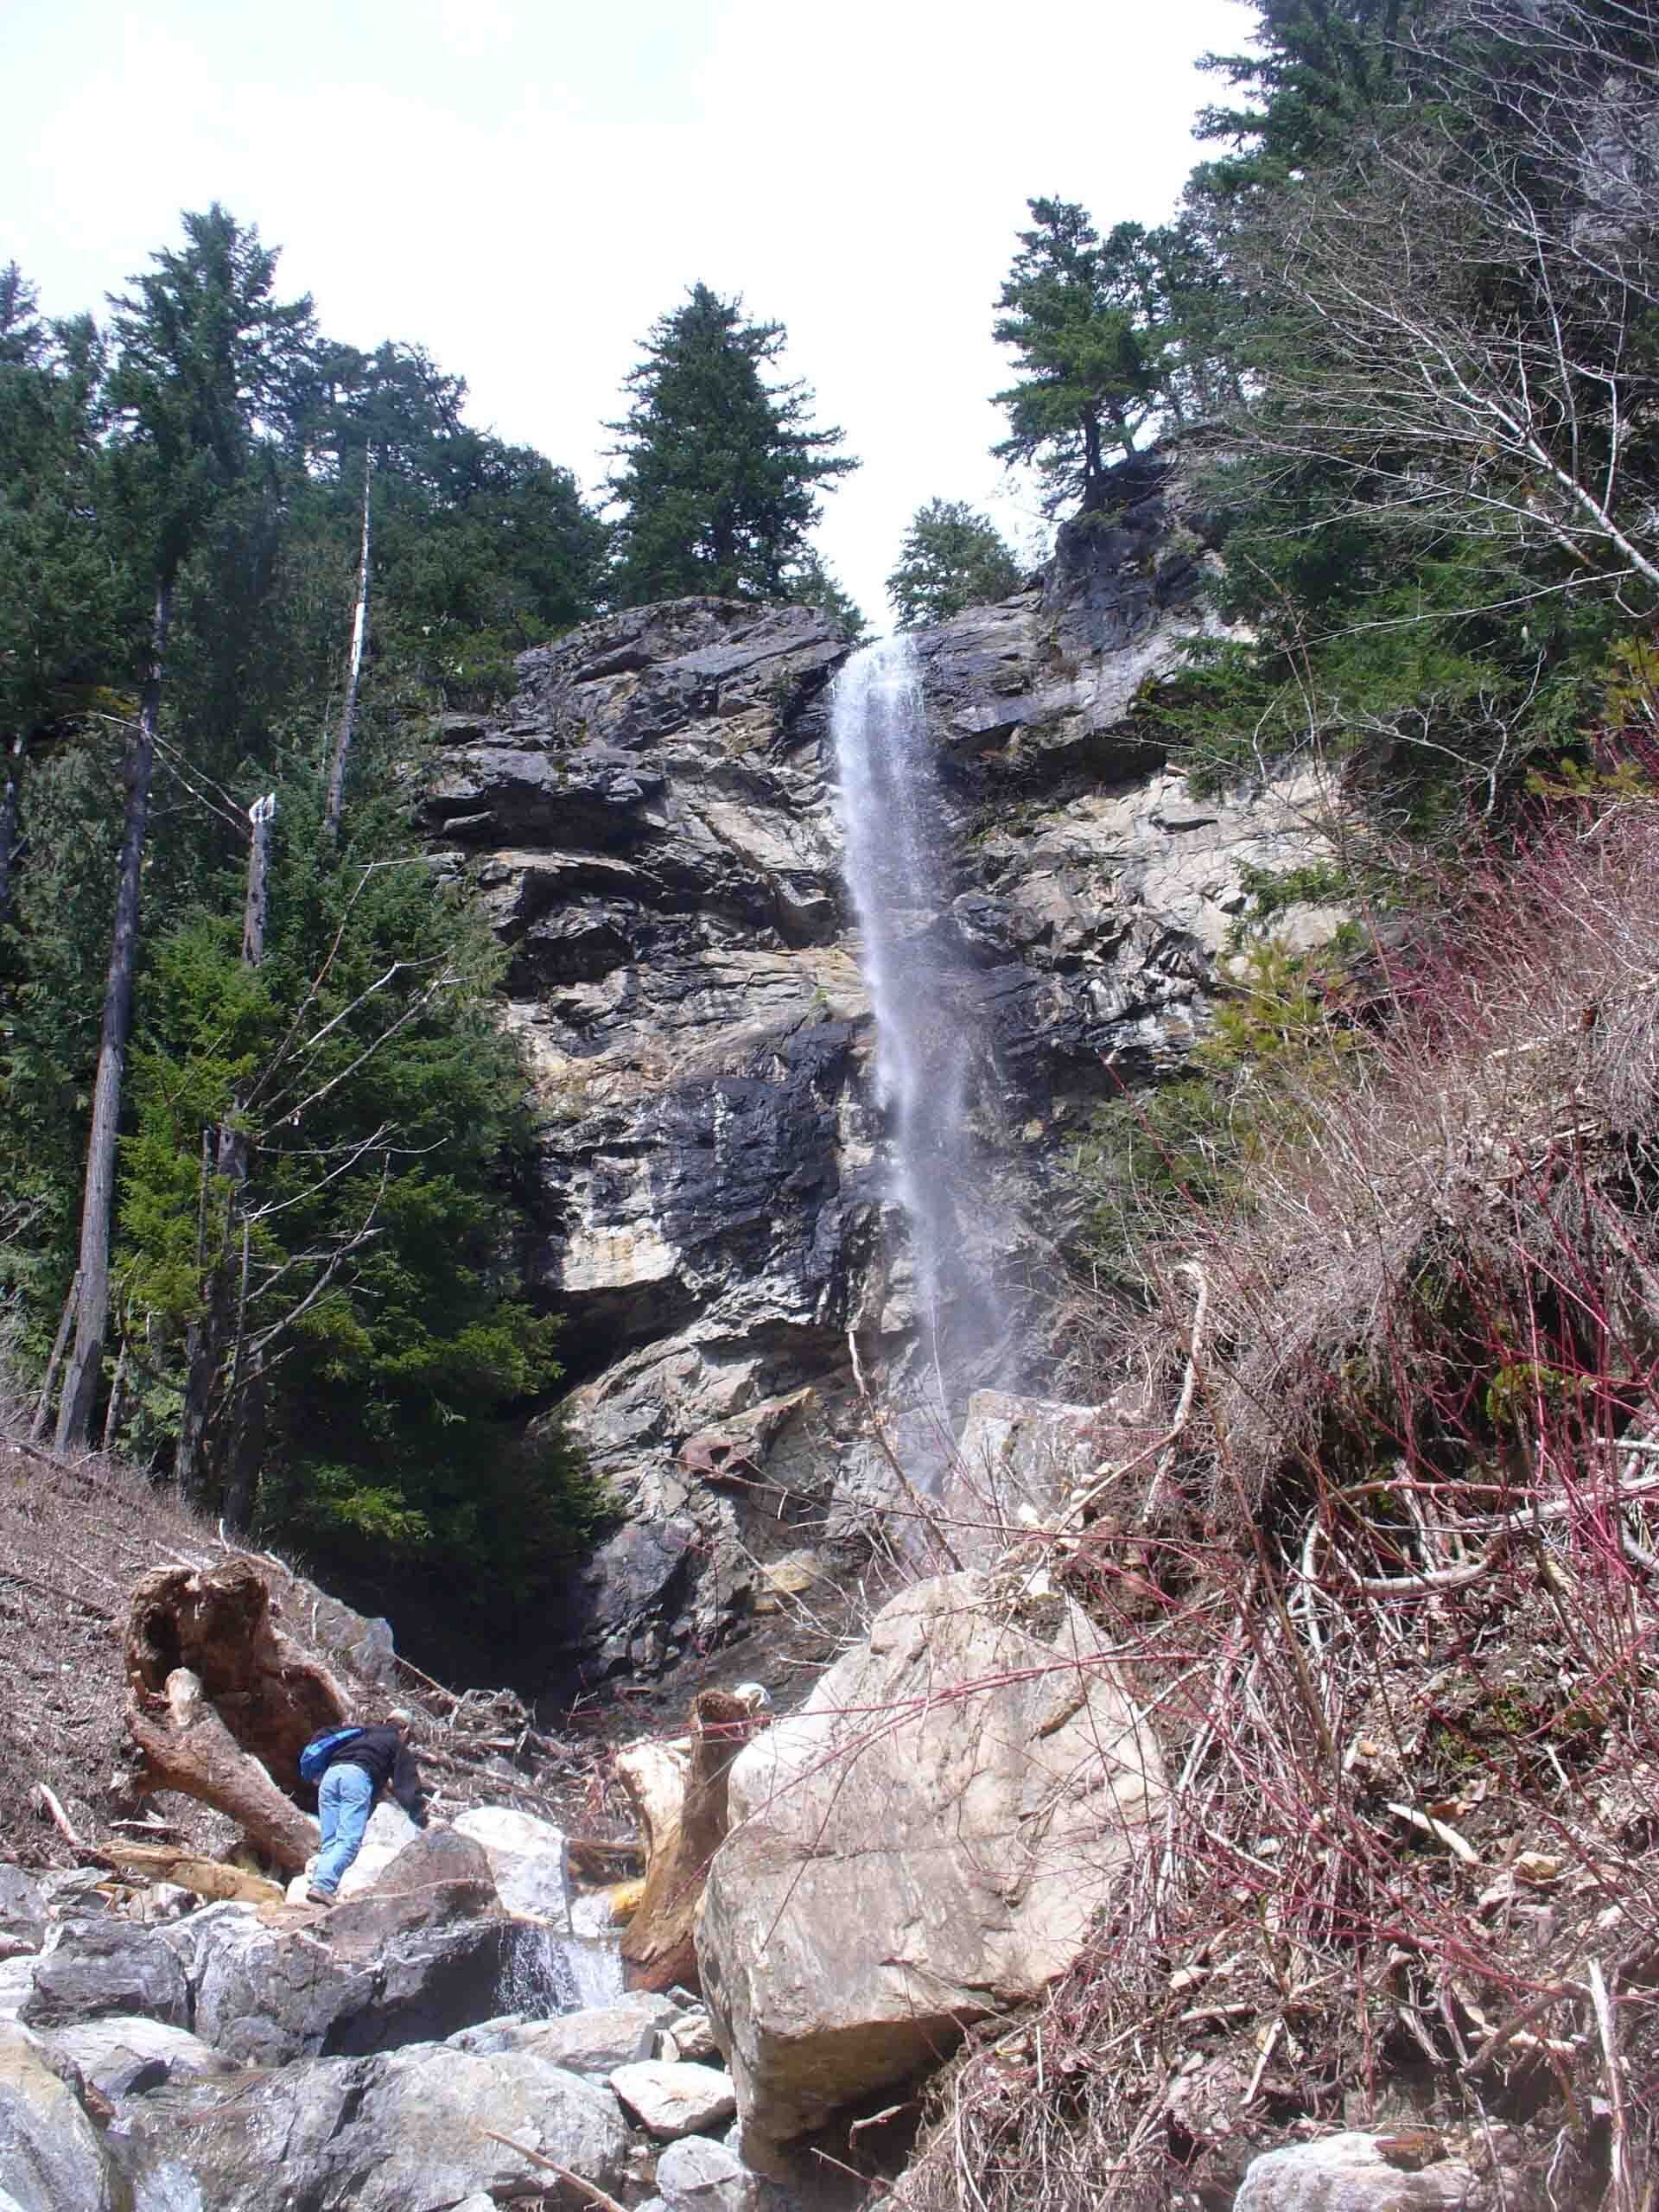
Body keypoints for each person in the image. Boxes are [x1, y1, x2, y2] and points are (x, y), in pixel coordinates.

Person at [308, 1707, 427, 1905]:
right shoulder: (395, 1743)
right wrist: (420, 1816)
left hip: (330, 1777)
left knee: (331, 1840)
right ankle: (322, 1886)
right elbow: (406, 1784)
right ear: (406, 1731)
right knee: (349, 1840)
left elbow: (323, 1733)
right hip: (356, 1778)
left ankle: (319, 1890)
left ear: (386, 1721)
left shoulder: (362, 1731)